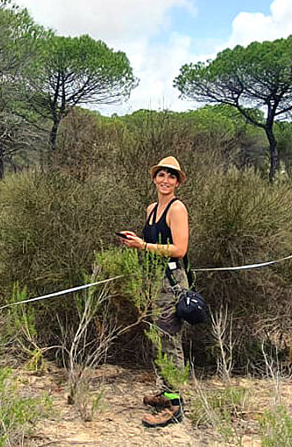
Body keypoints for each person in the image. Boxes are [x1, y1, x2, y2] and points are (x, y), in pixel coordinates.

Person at [117, 156, 190, 428]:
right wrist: (135, 242)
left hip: (171, 281)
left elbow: (179, 249)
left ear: (177, 182)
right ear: (154, 178)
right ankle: (164, 392)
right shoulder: (151, 209)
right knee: (158, 340)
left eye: (171, 176)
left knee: (170, 342)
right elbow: (151, 242)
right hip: (152, 281)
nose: (165, 181)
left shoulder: (177, 208)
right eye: (161, 175)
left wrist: (143, 246)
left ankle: (174, 405)